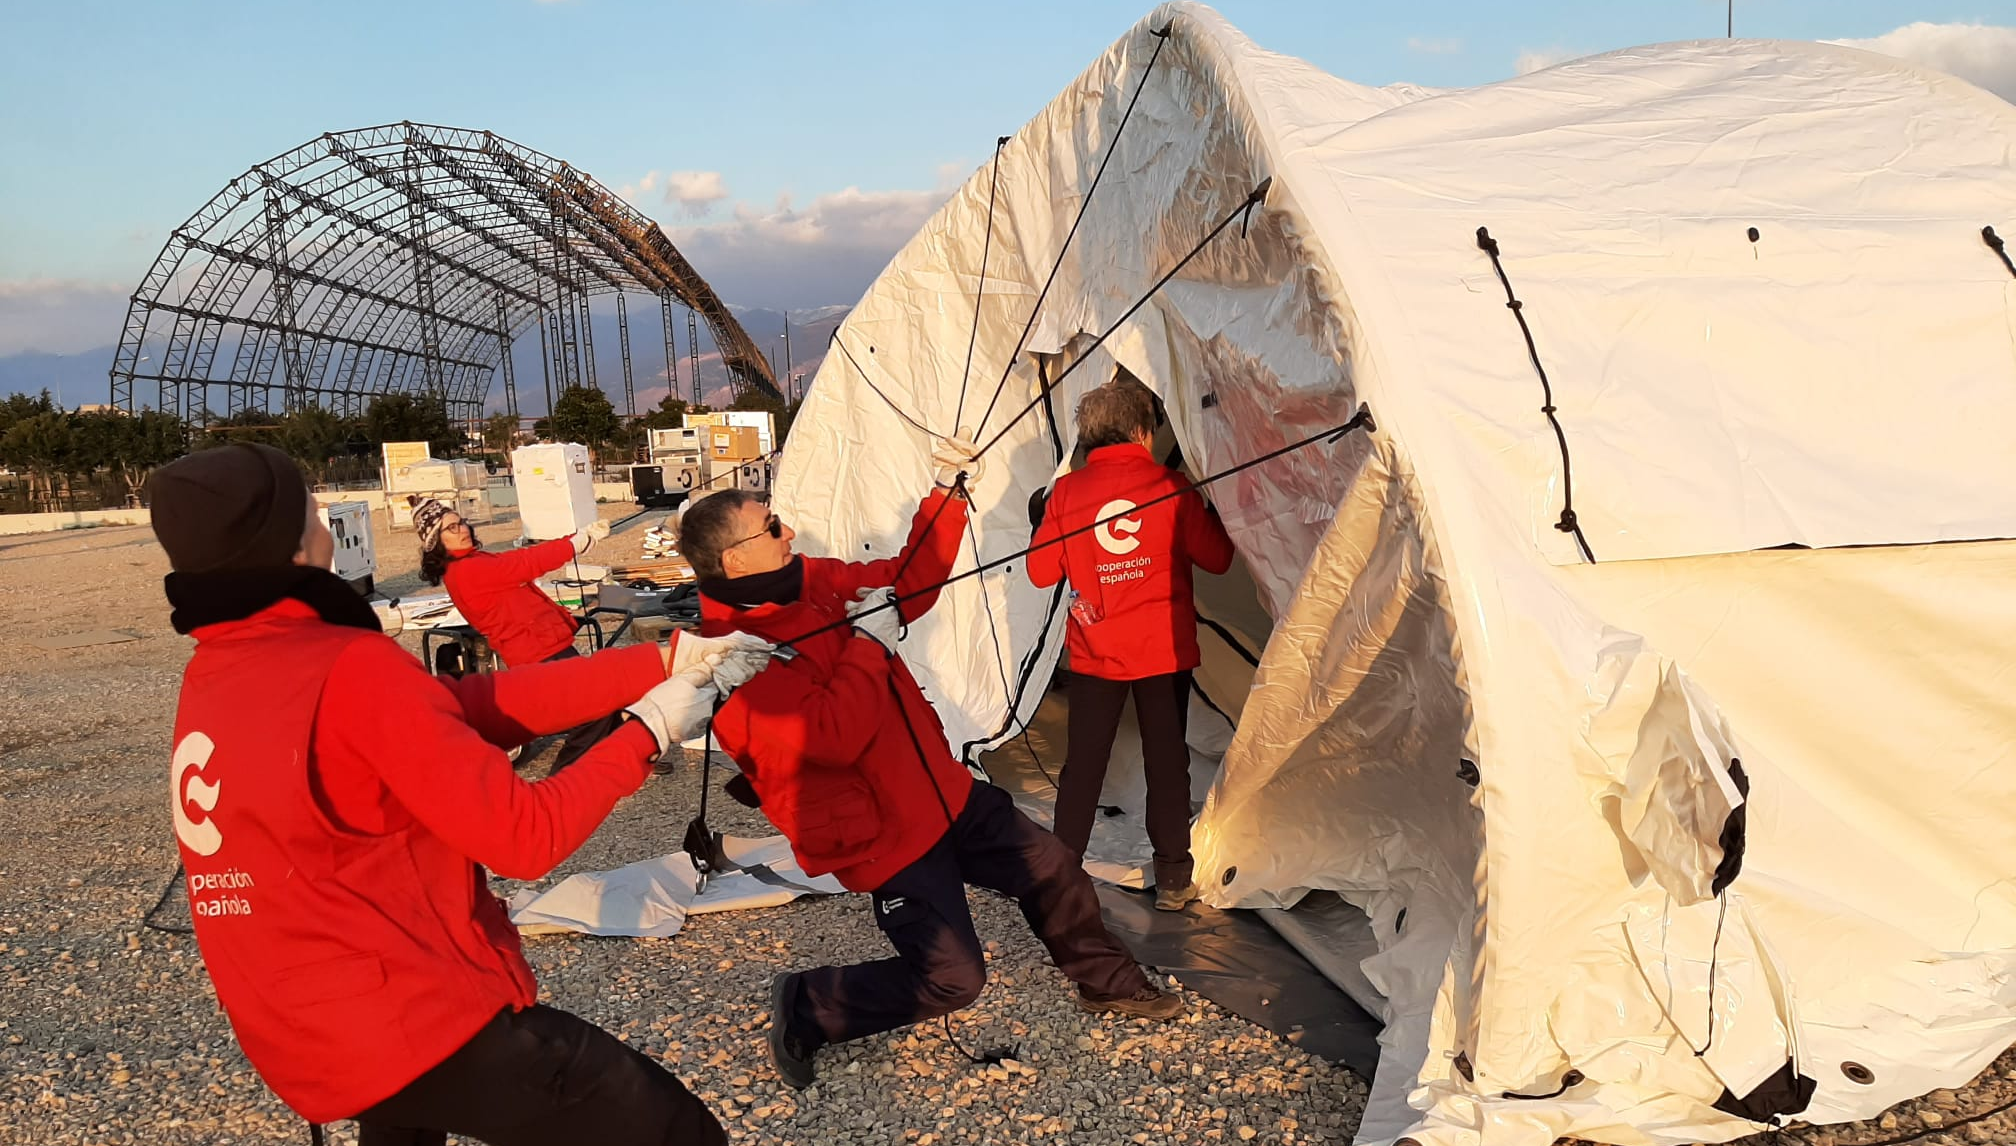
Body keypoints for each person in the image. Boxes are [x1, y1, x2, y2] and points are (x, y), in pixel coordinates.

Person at [152, 443, 770, 1146]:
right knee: (664, 1126)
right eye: (311, 510)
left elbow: (468, 702)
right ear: (289, 543)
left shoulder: (221, 668)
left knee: (405, 1122)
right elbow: (526, 836)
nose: (326, 519)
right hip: (409, 1014)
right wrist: (649, 727)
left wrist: (662, 659)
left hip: (304, 1017)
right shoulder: (347, 666)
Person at [676, 438, 1184, 1092]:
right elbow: (830, 737)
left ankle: (1108, 983)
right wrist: (865, 642)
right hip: (884, 837)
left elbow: (906, 585)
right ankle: (809, 1003)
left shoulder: (809, 581)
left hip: (942, 793)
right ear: (734, 558)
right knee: (952, 980)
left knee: (1053, 867)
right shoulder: (730, 655)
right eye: (772, 527)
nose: (790, 530)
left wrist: (945, 496)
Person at [1026, 380, 1235, 911]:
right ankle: (1172, 879)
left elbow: (1039, 572)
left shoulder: (1068, 493)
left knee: (1083, 766)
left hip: (1096, 652)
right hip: (1163, 651)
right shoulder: (1172, 486)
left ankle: (1061, 876)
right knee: (1167, 762)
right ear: (1143, 431)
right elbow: (1218, 560)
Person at [412, 496, 615, 772]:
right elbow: (525, 562)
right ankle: (566, 777)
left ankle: (631, 752)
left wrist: (578, 538)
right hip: (538, 651)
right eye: (451, 528)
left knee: (600, 698)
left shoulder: (471, 560)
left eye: (461, 523)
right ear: (436, 543)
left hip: (545, 645)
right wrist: (575, 544)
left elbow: (518, 560)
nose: (462, 529)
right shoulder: (468, 570)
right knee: (594, 707)